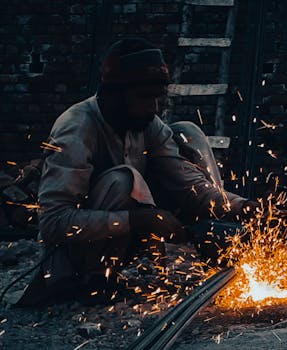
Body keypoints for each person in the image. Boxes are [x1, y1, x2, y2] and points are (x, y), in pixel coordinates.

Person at [17, 38, 257, 305]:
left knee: (187, 132)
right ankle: (95, 282)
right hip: (73, 260)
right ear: (113, 93)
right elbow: (53, 223)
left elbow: (190, 185)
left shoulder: (147, 123)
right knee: (123, 179)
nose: (154, 107)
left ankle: (218, 243)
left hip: (127, 241)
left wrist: (247, 209)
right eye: (144, 98)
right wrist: (138, 220)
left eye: (158, 98)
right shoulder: (76, 129)